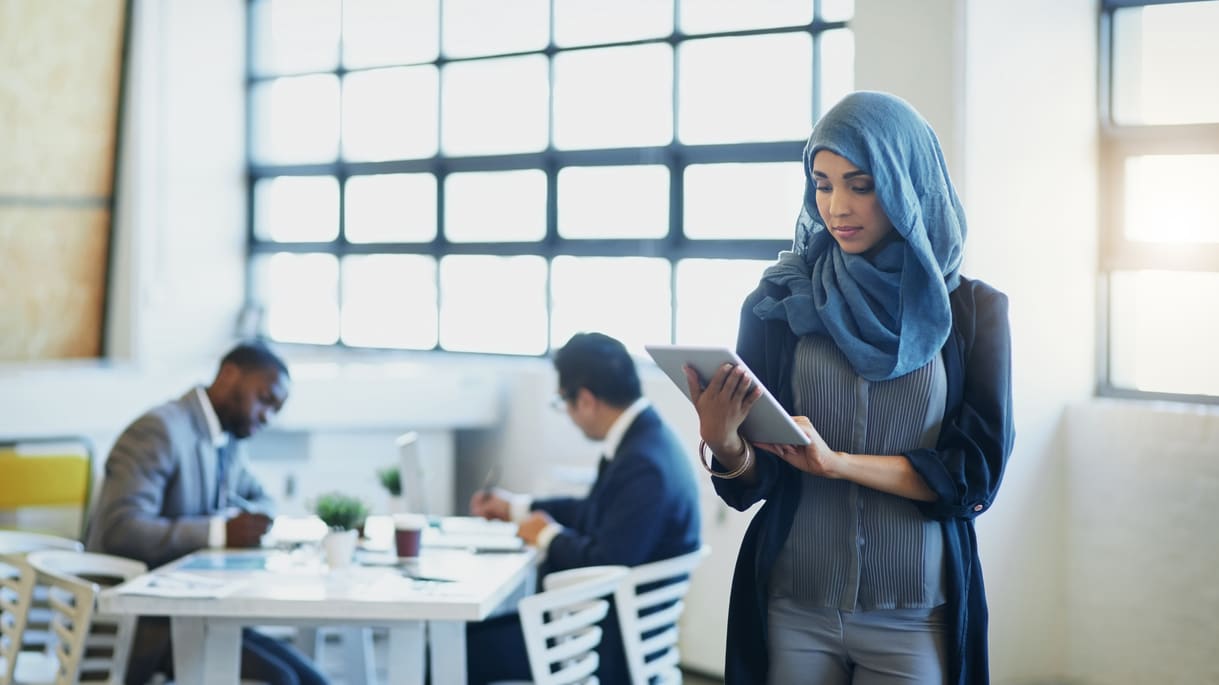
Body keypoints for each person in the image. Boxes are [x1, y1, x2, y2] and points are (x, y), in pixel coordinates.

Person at [686, 91, 1014, 685]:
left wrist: (839, 464)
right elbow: (752, 486)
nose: (837, 205)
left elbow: (973, 477)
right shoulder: (777, 304)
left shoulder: (972, 313)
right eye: (822, 183)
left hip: (915, 615)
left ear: (906, 182)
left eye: (860, 184)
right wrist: (726, 445)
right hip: (793, 606)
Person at [86, 341, 328, 685]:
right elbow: (119, 530)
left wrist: (251, 519)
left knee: (313, 680)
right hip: (145, 625)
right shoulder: (159, 430)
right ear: (229, 375)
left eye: (275, 409)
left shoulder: (226, 438)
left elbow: (262, 498)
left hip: (201, 613)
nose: (267, 417)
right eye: (264, 399)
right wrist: (219, 532)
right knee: (282, 681)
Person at [466, 332, 701, 685]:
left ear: (587, 400)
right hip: (615, 627)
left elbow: (607, 560)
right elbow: (594, 511)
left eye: (564, 402)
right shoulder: (646, 438)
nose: (569, 415)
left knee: (459, 644)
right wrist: (517, 507)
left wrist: (545, 534)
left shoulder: (643, 463)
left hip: (601, 644)